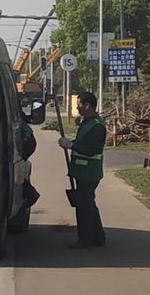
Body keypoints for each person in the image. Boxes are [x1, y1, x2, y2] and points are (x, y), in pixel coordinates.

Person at [58, 91, 107, 249]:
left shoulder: (97, 126)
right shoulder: (86, 123)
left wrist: (72, 146)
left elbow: (92, 149)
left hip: (89, 172)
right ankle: (98, 237)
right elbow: (83, 142)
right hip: (81, 171)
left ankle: (85, 240)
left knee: (84, 206)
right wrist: (71, 142)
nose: (77, 107)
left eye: (79, 104)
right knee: (88, 204)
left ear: (87, 105)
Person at [19, 110, 41, 207]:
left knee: (15, 170)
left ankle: (30, 193)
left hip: (27, 141)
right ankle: (30, 192)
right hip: (27, 140)